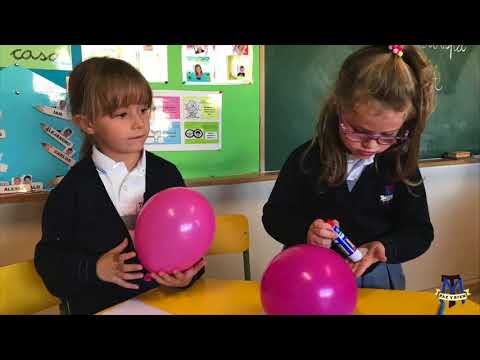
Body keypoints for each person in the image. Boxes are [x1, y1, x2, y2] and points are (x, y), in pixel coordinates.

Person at [34, 57, 206, 314]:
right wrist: (94, 269)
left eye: (144, 110)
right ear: (87, 124)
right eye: (122, 114)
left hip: (165, 305)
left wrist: (187, 276)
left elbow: (188, 241)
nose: (139, 123)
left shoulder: (166, 174)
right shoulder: (71, 191)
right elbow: (50, 262)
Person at [262, 45, 437, 290]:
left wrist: (384, 248)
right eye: (359, 131)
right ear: (339, 109)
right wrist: (306, 233)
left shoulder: (399, 166)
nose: (371, 144)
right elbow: (274, 216)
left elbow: (419, 232)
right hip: (309, 275)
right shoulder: (306, 159)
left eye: (387, 135)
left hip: (376, 279)